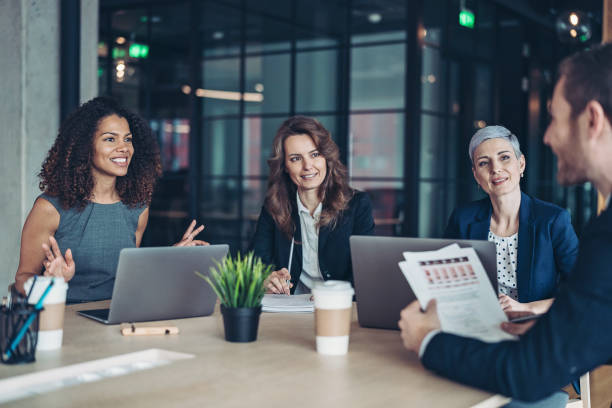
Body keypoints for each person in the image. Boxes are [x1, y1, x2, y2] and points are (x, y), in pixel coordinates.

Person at [398, 43, 612, 403]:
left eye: (554, 118)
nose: (547, 137)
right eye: (485, 162)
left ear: (591, 120)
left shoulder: (597, 236)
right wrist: (549, 327)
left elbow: (529, 373)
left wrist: (429, 339)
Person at [14, 96, 206, 303]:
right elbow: (22, 279)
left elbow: (128, 278)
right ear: (85, 146)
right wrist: (49, 283)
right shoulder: (49, 209)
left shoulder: (137, 207)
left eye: (128, 139)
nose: (124, 148)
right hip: (64, 320)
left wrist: (169, 258)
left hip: (117, 316)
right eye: (110, 139)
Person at [444, 125, 578, 315]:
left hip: (534, 327)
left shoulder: (553, 220)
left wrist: (526, 308)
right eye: (484, 163)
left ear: (521, 164)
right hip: (477, 322)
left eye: (504, 157)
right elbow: (446, 284)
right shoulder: (462, 219)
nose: (496, 169)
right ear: (476, 175)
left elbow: (582, 290)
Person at [251, 116, 375, 294]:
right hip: (289, 313)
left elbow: (366, 272)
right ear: (285, 166)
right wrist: (267, 279)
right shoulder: (275, 207)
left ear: (326, 157)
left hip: (338, 310)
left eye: (315, 154)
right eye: (295, 159)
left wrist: (333, 295)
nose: (308, 166)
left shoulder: (357, 205)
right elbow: (256, 264)